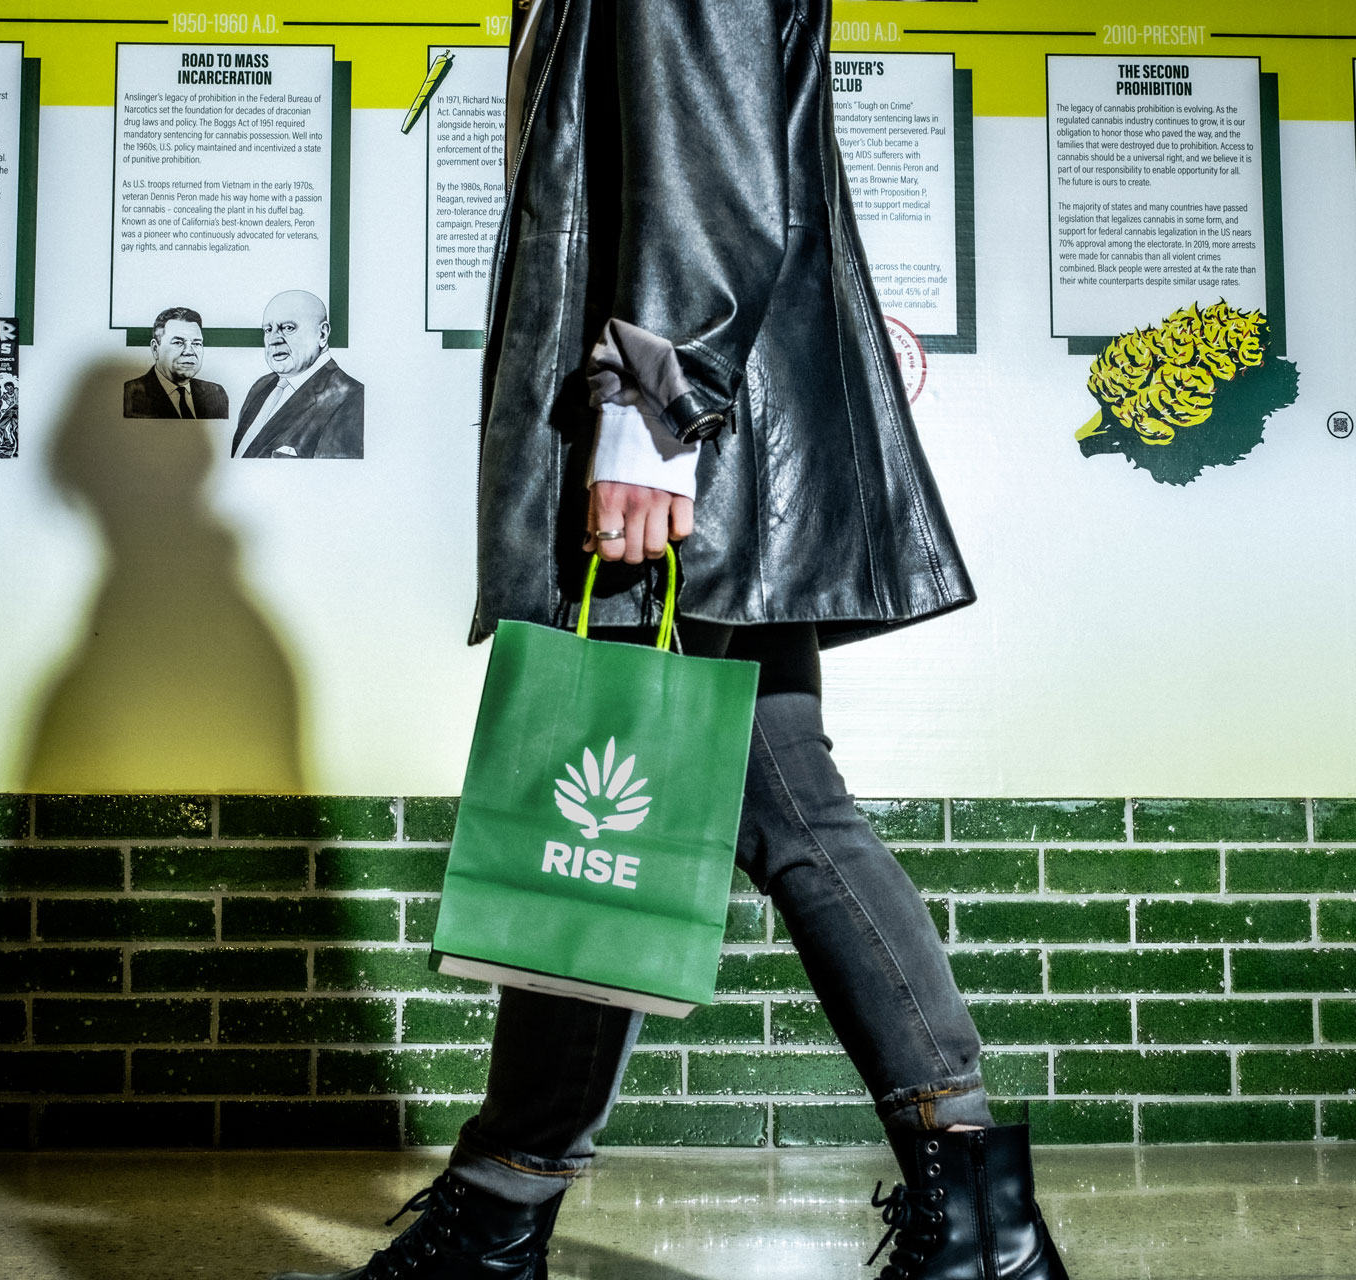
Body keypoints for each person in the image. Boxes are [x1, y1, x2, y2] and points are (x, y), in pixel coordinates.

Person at [277, 5, 1068, 1280]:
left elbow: (713, 184)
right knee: (608, 809)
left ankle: (974, 1215)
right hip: (689, 446)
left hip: (678, 465)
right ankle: (502, 1207)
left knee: (770, 805)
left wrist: (653, 426)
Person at [233, 289, 364, 459]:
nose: (273, 339)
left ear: (322, 334)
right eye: (268, 330)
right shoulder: (261, 387)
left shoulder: (351, 398)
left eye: (288, 328)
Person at [122, 306, 229, 419]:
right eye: (178, 342)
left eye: (196, 343)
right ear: (155, 349)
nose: (189, 352)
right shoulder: (130, 394)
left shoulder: (216, 393)